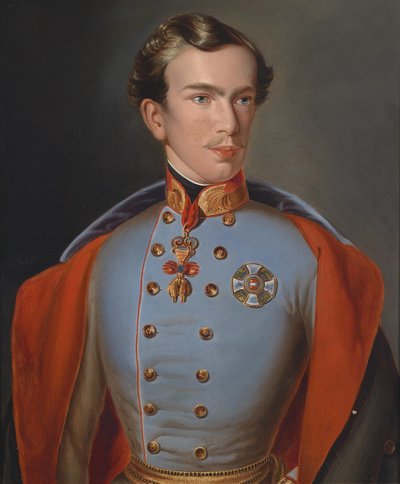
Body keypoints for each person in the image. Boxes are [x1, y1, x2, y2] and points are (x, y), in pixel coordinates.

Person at [8, 13, 398, 484]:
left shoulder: (308, 254)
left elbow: (358, 425)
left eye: (242, 99)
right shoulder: (105, 259)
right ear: (156, 118)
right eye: (202, 98)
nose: (230, 123)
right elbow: (72, 443)